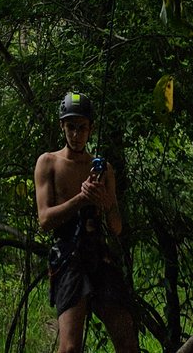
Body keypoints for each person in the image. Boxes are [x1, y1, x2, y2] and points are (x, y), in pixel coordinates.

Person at [34, 91, 139, 353]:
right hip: (68, 255)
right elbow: (45, 220)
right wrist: (81, 199)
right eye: (71, 127)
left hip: (99, 253)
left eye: (82, 128)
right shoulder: (49, 163)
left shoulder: (103, 169)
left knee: (128, 343)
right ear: (62, 127)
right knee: (70, 348)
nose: (76, 134)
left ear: (90, 129)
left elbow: (116, 227)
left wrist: (105, 202)